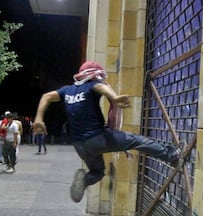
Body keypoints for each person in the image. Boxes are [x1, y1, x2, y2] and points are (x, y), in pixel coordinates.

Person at [33, 61, 186, 203]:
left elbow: (46, 96)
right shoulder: (91, 85)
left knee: (98, 172)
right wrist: (115, 97)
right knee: (136, 141)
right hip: (98, 139)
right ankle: (172, 155)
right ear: (94, 75)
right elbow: (100, 87)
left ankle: (85, 179)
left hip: (79, 145)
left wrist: (39, 118)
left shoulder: (68, 90)